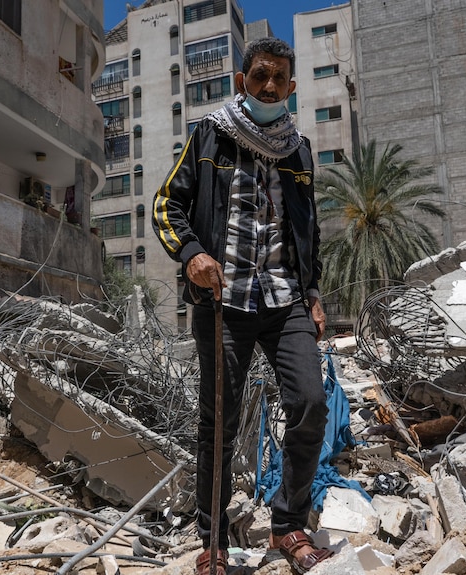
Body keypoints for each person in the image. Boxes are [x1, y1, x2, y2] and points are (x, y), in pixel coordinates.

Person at [152, 37, 333, 575]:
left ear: (292, 87)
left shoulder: (298, 151)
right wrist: (191, 255)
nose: (269, 86)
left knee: (311, 403)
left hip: (284, 299)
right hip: (223, 302)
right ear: (242, 82)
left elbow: (309, 231)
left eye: (279, 78)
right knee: (219, 423)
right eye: (259, 76)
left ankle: (288, 525)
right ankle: (214, 543)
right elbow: (167, 202)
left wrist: (315, 295)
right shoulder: (210, 134)